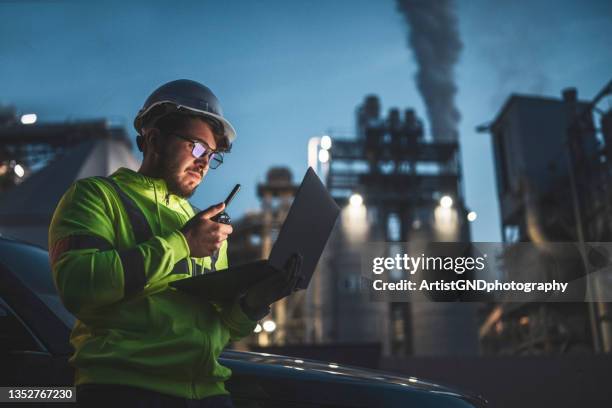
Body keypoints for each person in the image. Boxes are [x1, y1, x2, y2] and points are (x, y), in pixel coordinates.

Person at [48, 79, 301, 407]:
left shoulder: (204, 225)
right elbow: (79, 286)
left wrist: (254, 303)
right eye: (196, 147)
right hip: (124, 390)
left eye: (212, 156)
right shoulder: (96, 197)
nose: (204, 163)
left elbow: (217, 331)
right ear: (154, 139)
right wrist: (182, 244)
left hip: (209, 394)